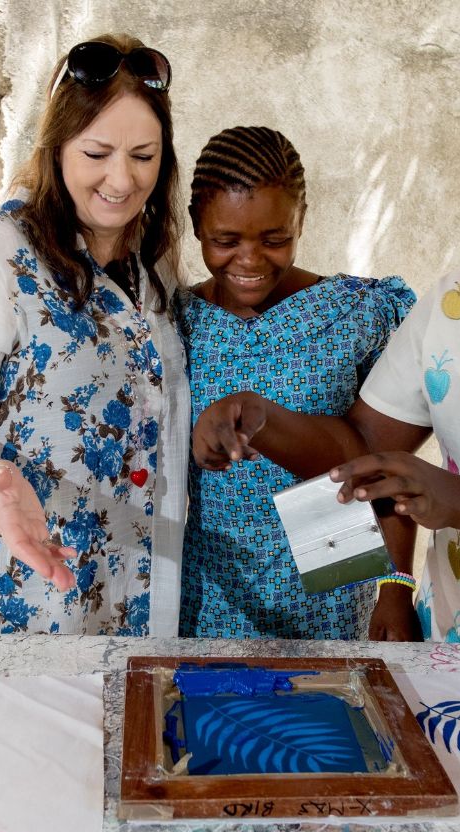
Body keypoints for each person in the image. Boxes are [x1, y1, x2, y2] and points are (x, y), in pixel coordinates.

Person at [192, 48, 460, 644]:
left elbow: (406, 480)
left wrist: (406, 569)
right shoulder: (452, 311)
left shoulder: (357, 310)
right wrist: (261, 419)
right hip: (223, 588)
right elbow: (368, 448)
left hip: (330, 582)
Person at [175, 125, 416, 638]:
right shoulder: (177, 320)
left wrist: (395, 587)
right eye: (225, 240)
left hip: (332, 575)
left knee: (323, 707)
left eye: (275, 238)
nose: (250, 260)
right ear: (196, 224)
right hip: (210, 582)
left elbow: (390, 460)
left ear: (301, 220)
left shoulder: (357, 312)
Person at [0, 34, 190, 635]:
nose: (122, 179)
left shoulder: (153, 269)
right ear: (57, 148)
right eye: (97, 152)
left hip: (135, 600)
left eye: (143, 155)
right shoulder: (7, 254)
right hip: (28, 601)